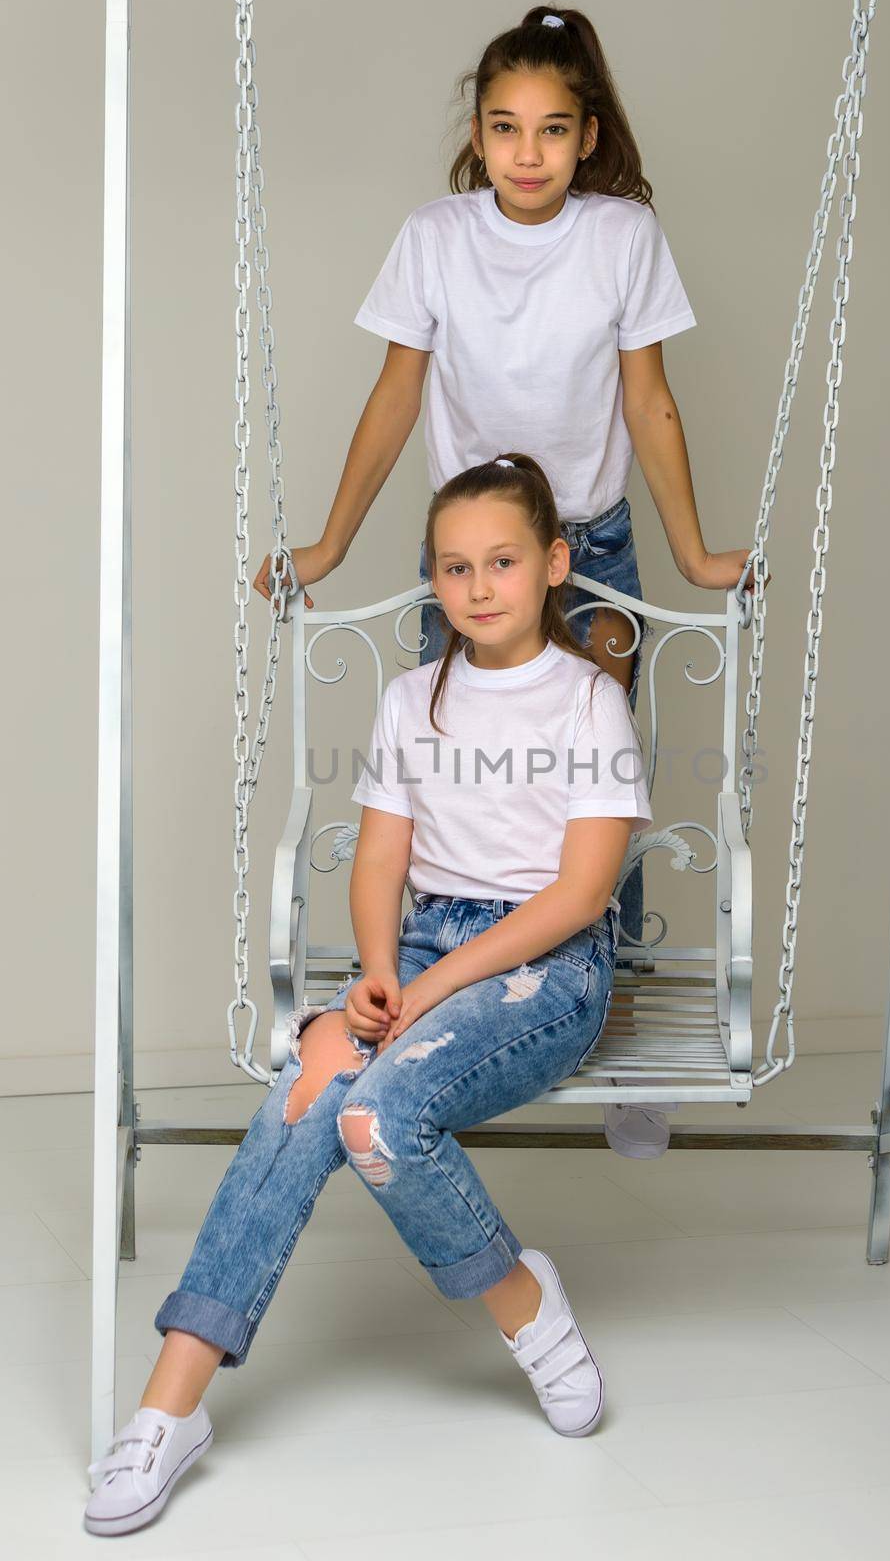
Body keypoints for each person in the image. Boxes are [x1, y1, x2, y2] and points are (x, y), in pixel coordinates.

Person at [84, 453, 654, 1537]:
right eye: (453, 566)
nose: (478, 585)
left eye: (500, 561)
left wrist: (431, 985)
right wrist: (378, 970)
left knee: (377, 1109)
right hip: (426, 946)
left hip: (544, 970)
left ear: (553, 564)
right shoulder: (410, 698)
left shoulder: (590, 698)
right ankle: (169, 1406)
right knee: (307, 1093)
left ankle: (520, 1305)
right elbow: (383, 860)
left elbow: (582, 893)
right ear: (433, 580)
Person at [253, 4, 763, 1159]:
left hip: (591, 549)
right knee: (467, 774)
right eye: (502, 128)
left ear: (587, 137)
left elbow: (648, 401)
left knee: (593, 800)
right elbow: (395, 398)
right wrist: (329, 543)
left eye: (549, 129)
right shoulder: (435, 235)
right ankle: (446, 998)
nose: (524, 152)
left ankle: (611, 1015)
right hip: (476, 550)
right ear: (476, 137)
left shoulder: (621, 237)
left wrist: (689, 554)